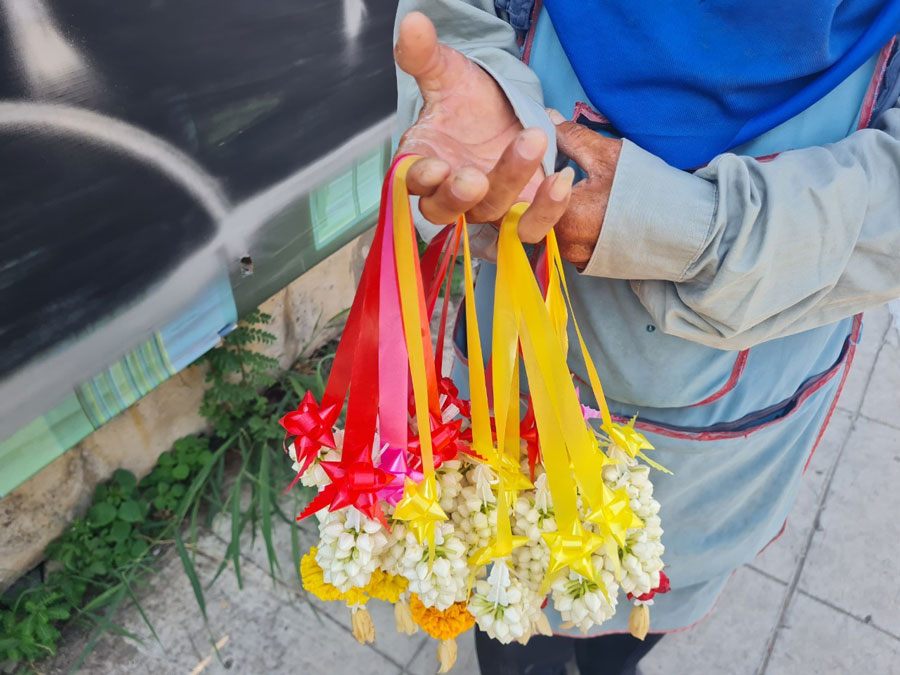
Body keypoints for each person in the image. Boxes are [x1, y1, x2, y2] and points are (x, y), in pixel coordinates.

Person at [392, 2, 900, 674]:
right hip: (508, 394)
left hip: (716, 440)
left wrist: (681, 226)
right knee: (509, 618)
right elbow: (459, 20)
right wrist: (492, 97)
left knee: (628, 622)